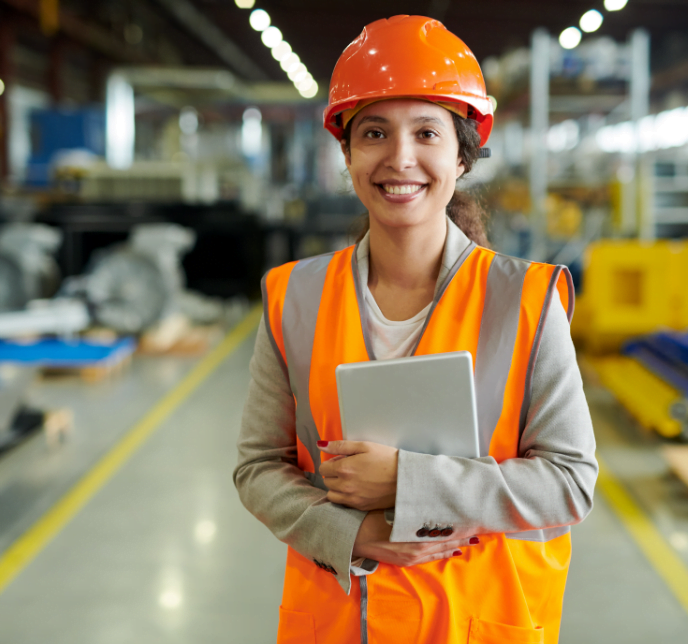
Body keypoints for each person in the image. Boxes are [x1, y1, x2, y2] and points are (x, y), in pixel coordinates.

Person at [234, 14, 597, 644]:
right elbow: (259, 467)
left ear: (462, 156)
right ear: (346, 155)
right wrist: (351, 533)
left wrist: (409, 482)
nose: (400, 157)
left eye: (426, 132)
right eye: (374, 132)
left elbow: (569, 483)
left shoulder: (526, 301)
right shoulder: (293, 297)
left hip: (476, 625)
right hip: (338, 625)